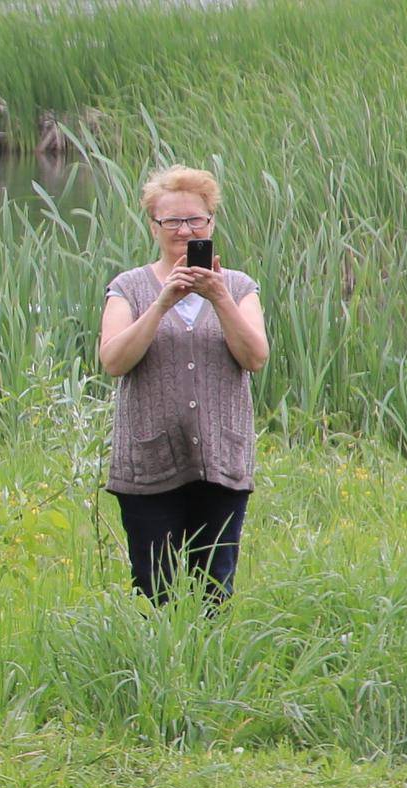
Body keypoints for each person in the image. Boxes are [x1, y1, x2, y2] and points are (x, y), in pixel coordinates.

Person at [94, 165, 267, 605]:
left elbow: (255, 357)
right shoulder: (129, 288)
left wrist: (219, 297)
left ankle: (209, 653)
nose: (185, 230)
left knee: (215, 588)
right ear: (154, 226)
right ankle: (159, 652)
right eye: (172, 221)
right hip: (148, 462)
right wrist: (162, 303)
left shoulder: (239, 288)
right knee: (155, 591)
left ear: (211, 223)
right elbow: (113, 361)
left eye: (195, 220)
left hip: (221, 459)